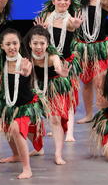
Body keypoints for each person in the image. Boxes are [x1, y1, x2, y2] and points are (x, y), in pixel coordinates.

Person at [0, 29, 45, 180]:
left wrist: (25, 74)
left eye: (15, 43)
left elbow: (27, 76)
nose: (12, 47)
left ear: (19, 44)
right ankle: (16, 154)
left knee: (15, 129)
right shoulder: (0, 63)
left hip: (26, 105)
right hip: (8, 104)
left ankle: (27, 168)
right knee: (8, 129)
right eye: (8, 44)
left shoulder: (25, 63)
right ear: (2, 46)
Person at [34, 0, 83, 141]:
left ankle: (69, 132)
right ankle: (54, 127)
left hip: (66, 64)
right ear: (53, 1)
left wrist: (76, 25)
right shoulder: (47, 17)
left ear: (70, 2)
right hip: (49, 63)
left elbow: (73, 25)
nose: (62, 2)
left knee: (68, 97)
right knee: (50, 95)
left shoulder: (71, 20)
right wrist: (40, 30)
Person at [72, 0, 108, 123]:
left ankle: (105, 113)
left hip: (100, 46)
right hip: (83, 46)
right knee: (86, 83)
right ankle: (89, 114)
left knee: (100, 81)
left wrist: (107, 4)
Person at [24, 26, 73, 164]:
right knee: (27, 119)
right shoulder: (27, 57)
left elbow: (58, 65)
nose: (39, 47)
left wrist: (61, 71)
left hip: (54, 87)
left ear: (47, 44)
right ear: (30, 44)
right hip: (35, 87)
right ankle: (38, 148)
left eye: (42, 43)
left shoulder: (52, 57)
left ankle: (58, 154)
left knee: (55, 119)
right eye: (35, 43)